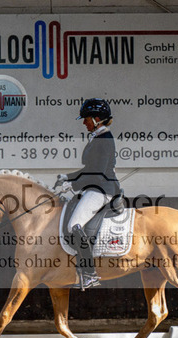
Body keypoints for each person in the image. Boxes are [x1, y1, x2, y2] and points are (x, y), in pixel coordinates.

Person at [55, 98, 120, 290]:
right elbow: (89, 169)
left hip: (102, 189)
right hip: (95, 187)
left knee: (74, 225)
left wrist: (73, 185)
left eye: (86, 119)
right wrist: (67, 177)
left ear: (97, 119)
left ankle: (90, 274)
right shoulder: (98, 137)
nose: (84, 122)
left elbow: (97, 173)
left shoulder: (104, 139)